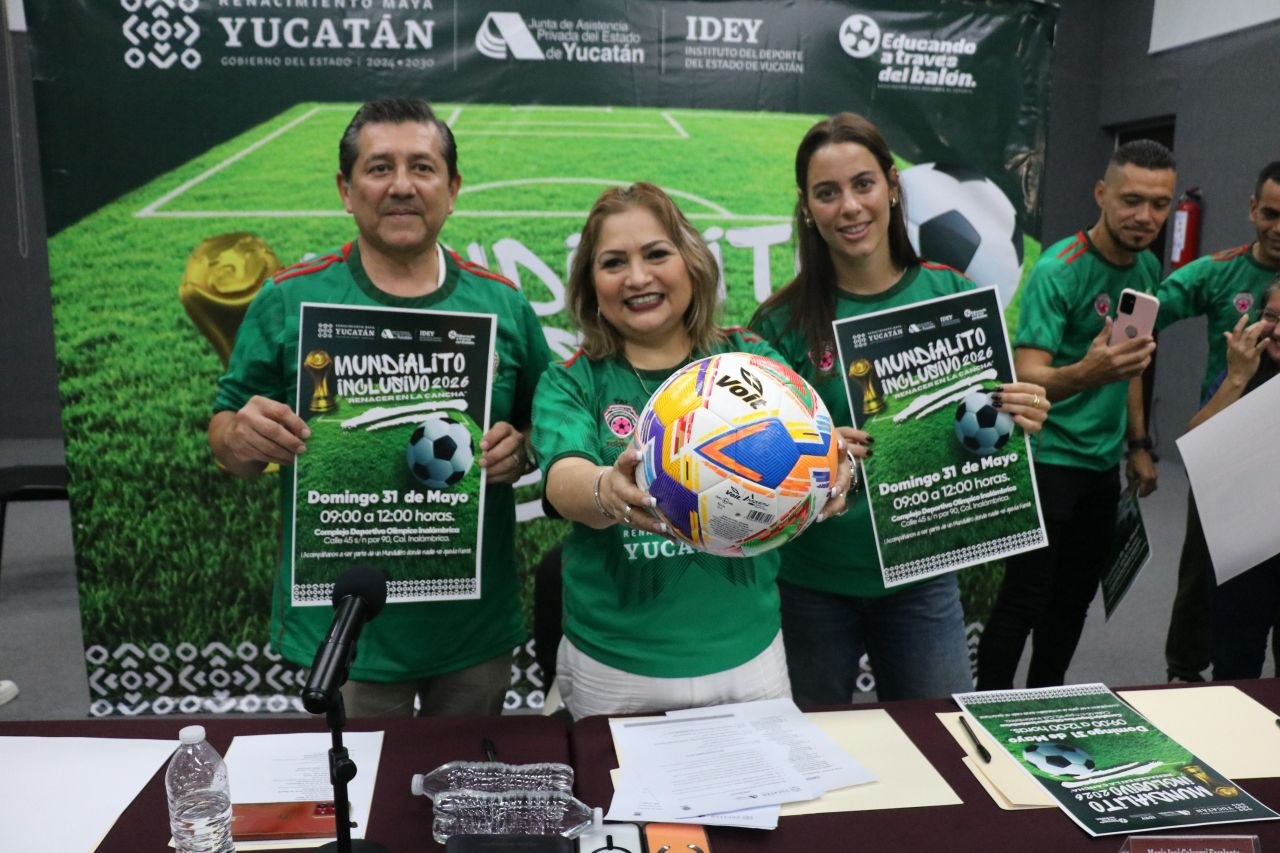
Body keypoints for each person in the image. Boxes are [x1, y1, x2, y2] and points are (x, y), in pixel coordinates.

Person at [208, 97, 551, 716]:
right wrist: (241, 437)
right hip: (346, 635)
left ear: (452, 189)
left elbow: (546, 426)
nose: (401, 186)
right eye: (379, 168)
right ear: (346, 190)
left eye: (421, 167)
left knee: (465, 775)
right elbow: (228, 437)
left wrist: (521, 448)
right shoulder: (289, 300)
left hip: (471, 630)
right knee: (359, 780)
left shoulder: (503, 306)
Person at [749, 112, 1049, 704]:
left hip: (921, 578)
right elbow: (755, 463)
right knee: (811, 742)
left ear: (892, 186)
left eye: (863, 184)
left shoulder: (954, 296)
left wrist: (1024, 417)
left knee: (941, 737)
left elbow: (988, 435)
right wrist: (813, 449)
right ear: (807, 208)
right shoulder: (780, 324)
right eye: (827, 193)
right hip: (811, 582)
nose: (849, 207)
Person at [532, 182, 856, 720]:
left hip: (749, 659)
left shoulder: (748, 358)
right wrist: (606, 489)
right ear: (591, 283)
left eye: (657, 254)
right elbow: (563, 476)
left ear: (693, 262)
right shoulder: (572, 380)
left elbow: (818, 443)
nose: (638, 277)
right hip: (617, 670)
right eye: (613, 262)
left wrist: (837, 468)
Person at [976, 139, 1177, 689]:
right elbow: (1026, 379)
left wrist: (1138, 444)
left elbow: (1129, 366)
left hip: (1100, 469)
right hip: (1048, 461)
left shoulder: (1147, 266)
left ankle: (1045, 702)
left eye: (1159, 204)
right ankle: (989, 709)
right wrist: (1087, 372)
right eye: (1131, 200)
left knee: (1072, 603)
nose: (1145, 216)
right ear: (1101, 194)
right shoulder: (1058, 270)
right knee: (1025, 599)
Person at [1158, 161, 1280, 682]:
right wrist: (1135, 435)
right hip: (1226, 448)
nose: (1279, 228)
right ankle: (1185, 673)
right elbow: (1136, 323)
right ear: (1253, 209)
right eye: (1271, 213)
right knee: (1204, 579)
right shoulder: (1218, 271)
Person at [1192, 278, 1280, 680]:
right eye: (1271, 316)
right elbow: (1195, 446)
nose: (1276, 331)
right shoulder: (1246, 368)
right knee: (1234, 668)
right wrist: (1236, 379)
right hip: (1245, 546)